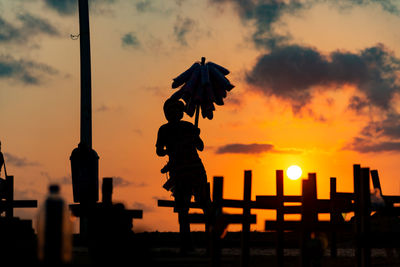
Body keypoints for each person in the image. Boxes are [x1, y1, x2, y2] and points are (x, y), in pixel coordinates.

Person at [156, 98, 211, 253]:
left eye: (177, 111)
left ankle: (210, 242)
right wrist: (171, 150)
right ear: (167, 114)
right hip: (179, 172)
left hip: (195, 170)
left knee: (205, 205)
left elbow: (200, 146)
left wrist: (195, 135)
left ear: (181, 113)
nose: (174, 114)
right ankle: (187, 244)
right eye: (171, 111)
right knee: (182, 208)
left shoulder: (189, 127)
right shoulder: (164, 130)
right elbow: (159, 151)